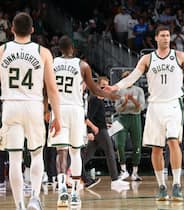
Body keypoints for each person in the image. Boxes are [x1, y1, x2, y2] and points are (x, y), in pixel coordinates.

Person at [107, 25, 184, 201]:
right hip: (155, 105)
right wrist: (116, 86)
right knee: (156, 148)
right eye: (162, 35)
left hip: (173, 104)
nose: (165, 38)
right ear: (156, 38)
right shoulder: (147, 59)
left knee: (173, 142)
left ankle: (177, 184)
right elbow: (133, 77)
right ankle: (162, 186)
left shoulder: (179, 56)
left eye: (168, 35)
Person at [0, 12, 61, 210]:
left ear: (11, 29)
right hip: (34, 106)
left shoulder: (0, 51)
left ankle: (19, 205)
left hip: (10, 106)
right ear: (32, 30)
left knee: (14, 158)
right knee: (37, 155)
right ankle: (35, 198)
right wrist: (57, 116)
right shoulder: (43, 52)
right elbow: (52, 88)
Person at [48, 35, 117, 207]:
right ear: (73, 49)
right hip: (76, 110)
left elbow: (45, 88)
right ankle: (74, 194)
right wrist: (111, 94)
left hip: (58, 109)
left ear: (58, 49)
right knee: (75, 152)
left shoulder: (51, 64)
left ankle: (62, 189)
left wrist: (45, 110)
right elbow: (95, 90)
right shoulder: (82, 65)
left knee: (61, 152)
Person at [82, 76, 129, 191]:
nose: (105, 88)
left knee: (86, 156)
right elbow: (88, 117)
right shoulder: (94, 99)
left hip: (101, 129)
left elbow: (97, 117)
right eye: (102, 86)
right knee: (110, 153)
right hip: (98, 131)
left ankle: (75, 171)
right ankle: (115, 180)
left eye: (107, 86)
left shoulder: (100, 100)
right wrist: (90, 131)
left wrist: (106, 124)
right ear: (97, 86)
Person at [114, 70, 145, 181]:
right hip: (122, 118)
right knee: (119, 144)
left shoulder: (139, 90)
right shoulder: (119, 91)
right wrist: (125, 102)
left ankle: (135, 172)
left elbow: (141, 107)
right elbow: (117, 109)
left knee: (137, 145)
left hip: (135, 118)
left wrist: (132, 100)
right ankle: (123, 170)